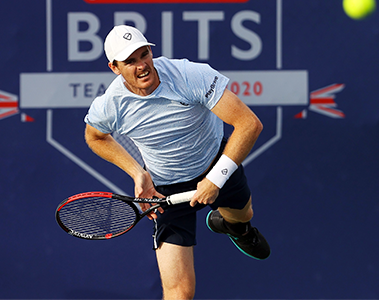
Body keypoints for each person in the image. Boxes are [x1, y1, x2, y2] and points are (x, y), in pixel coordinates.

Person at [84, 25, 271, 299]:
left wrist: (215, 179)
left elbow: (248, 124)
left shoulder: (188, 75)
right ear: (115, 68)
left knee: (244, 215)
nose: (142, 66)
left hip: (215, 163)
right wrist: (138, 173)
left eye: (144, 54)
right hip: (165, 190)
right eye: (130, 61)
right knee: (180, 292)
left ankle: (234, 226)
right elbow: (95, 137)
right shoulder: (111, 104)